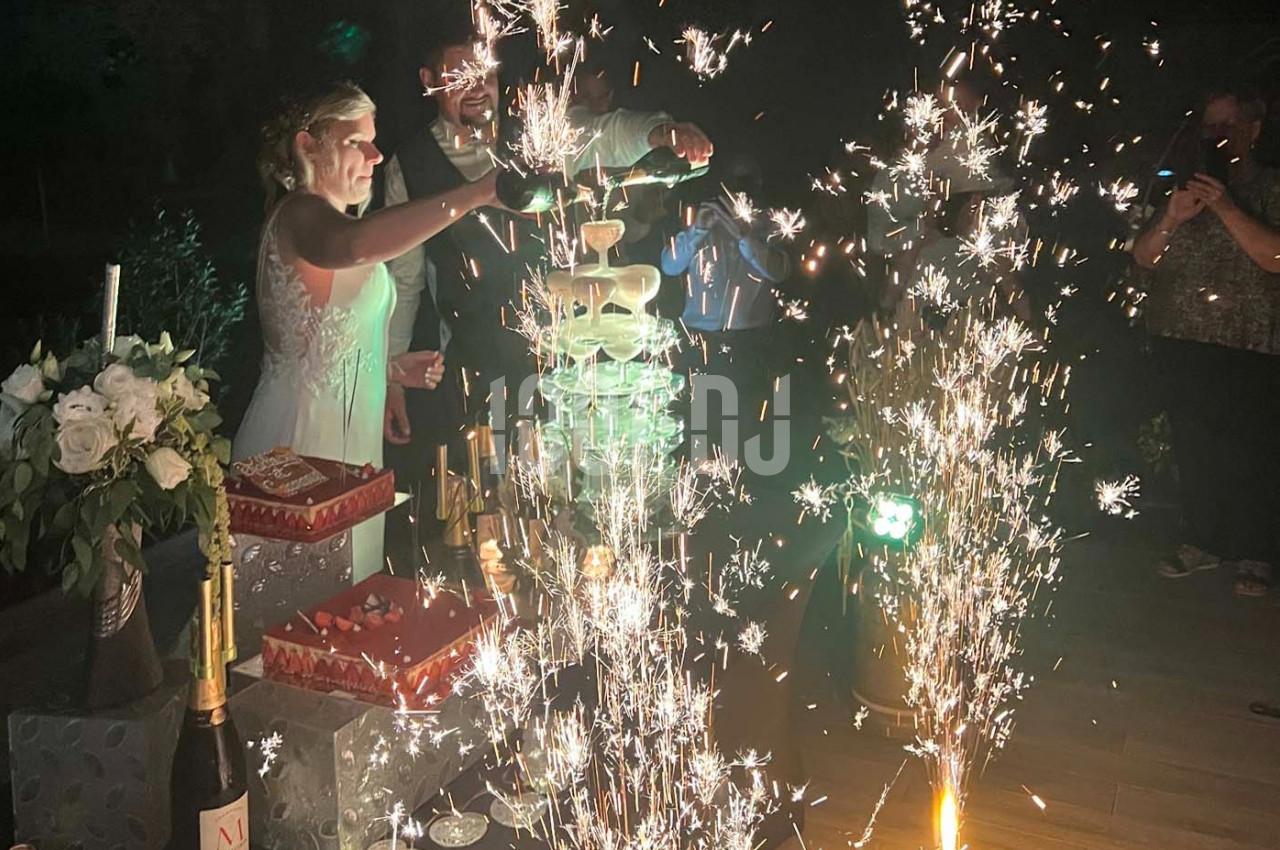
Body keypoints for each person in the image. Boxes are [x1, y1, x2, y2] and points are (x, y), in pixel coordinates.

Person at [379, 18, 714, 525]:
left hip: (566, 357)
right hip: (477, 360)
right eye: (459, 76)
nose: (477, 88)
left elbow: (606, 134)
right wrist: (394, 376)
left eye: (485, 73)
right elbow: (404, 279)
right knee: (489, 508)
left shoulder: (539, 133)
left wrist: (660, 133)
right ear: (429, 82)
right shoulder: (410, 164)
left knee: (573, 508)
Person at [234, 81, 500, 581]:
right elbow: (357, 246)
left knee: (340, 614)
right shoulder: (299, 214)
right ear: (307, 145)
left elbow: (321, 340)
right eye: (357, 142)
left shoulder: (329, 221)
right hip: (300, 443)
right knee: (293, 606)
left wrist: (390, 370)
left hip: (351, 443)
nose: (377, 156)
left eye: (374, 141)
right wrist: (476, 193)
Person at [1131, 82, 1280, 596]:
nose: (1217, 136)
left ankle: (1255, 552)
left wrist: (1227, 209)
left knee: (1252, 453)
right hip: (1182, 337)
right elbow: (1144, 256)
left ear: (1253, 129)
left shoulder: (1269, 186)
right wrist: (1172, 217)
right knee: (1194, 447)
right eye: (1209, 126)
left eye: (1228, 125)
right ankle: (1201, 539)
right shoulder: (1184, 186)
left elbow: (1274, 257)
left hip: (1250, 342)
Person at [661, 154, 791, 467]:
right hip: (700, 340)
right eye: (733, 183)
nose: (739, 192)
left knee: (743, 425)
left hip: (747, 343)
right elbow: (669, 264)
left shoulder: (771, 225)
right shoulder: (704, 222)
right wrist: (696, 231)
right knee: (699, 426)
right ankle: (699, 487)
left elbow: (780, 270)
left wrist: (745, 236)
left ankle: (739, 486)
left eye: (747, 183)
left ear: (758, 186)